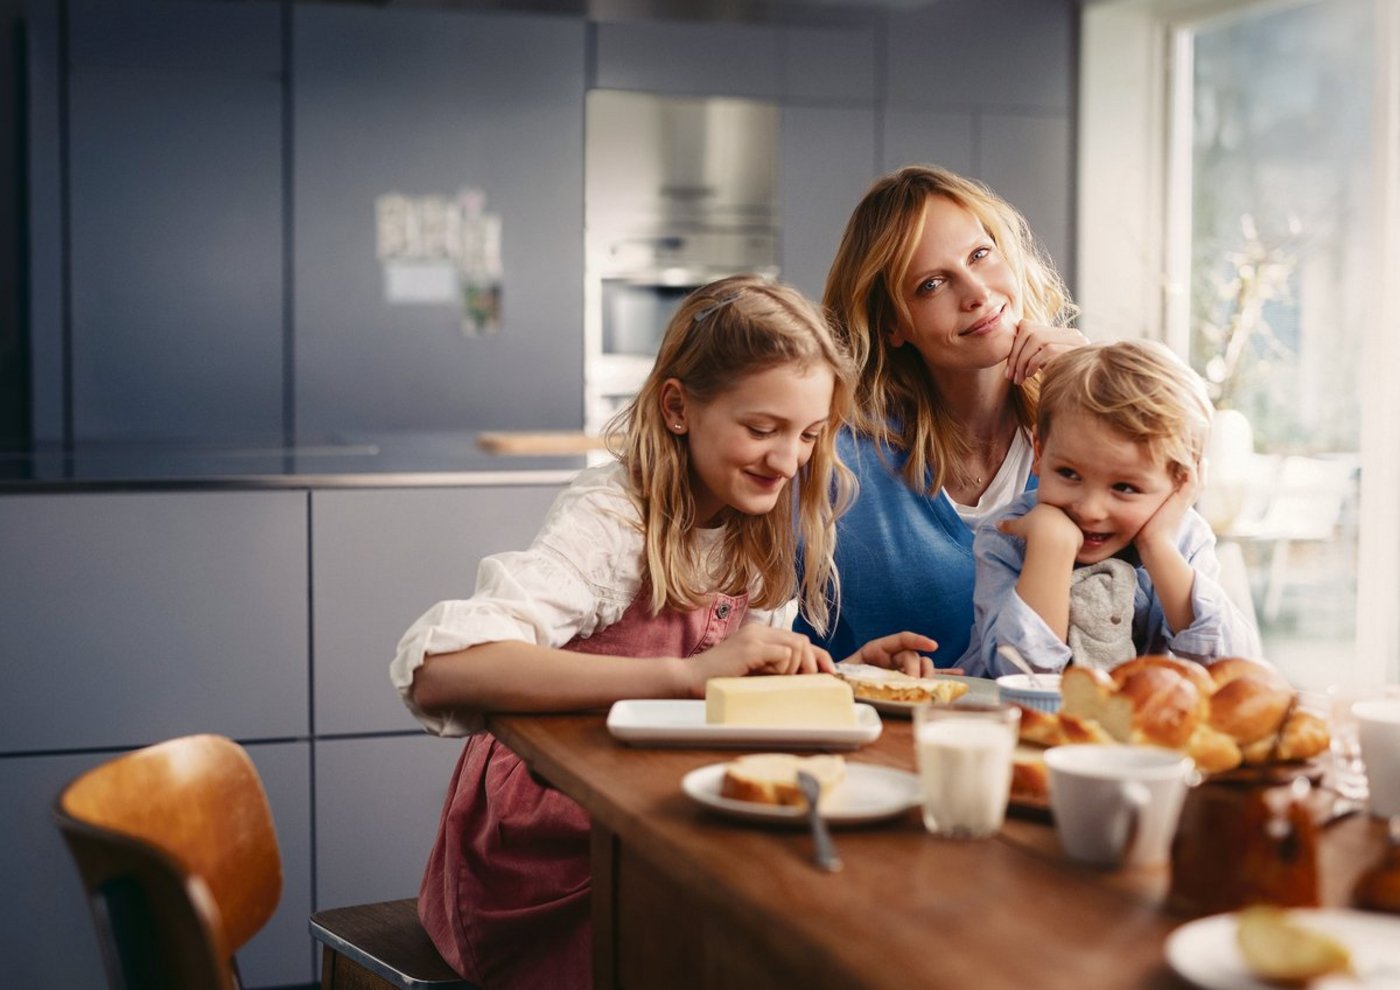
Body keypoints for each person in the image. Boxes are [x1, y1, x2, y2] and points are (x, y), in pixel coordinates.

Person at [390, 274, 934, 990]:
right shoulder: (614, 517)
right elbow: (442, 669)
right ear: (679, 407)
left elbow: (734, 682)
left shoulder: (763, 521)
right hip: (550, 852)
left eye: (807, 434)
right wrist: (681, 679)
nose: (787, 460)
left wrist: (843, 672)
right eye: (762, 429)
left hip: (659, 809)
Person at [794, 164, 1086, 667]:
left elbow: (1170, 600)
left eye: (980, 254)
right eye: (932, 284)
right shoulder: (833, 460)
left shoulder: (1083, 416)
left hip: (1067, 738)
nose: (976, 293)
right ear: (890, 326)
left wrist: (1092, 392)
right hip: (884, 738)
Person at [961, 340, 1261, 677]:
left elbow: (1231, 670)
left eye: (1125, 488)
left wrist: (1157, 546)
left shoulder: (1184, 539)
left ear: (1180, 483)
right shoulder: (1009, 535)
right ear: (1040, 452)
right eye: (1068, 474)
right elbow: (1018, 672)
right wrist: (1051, 548)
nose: (1090, 510)